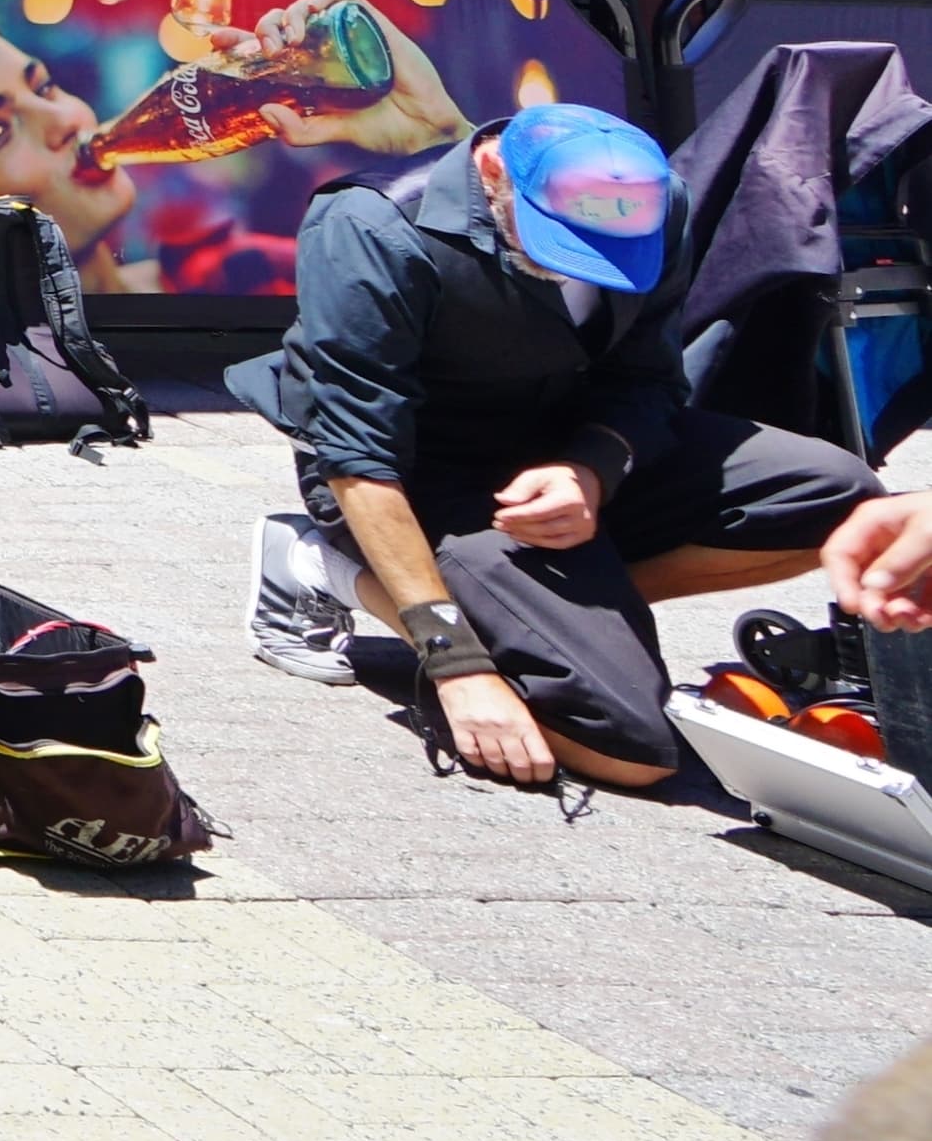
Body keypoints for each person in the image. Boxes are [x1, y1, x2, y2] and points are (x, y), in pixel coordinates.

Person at [244, 99, 881, 793]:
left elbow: (648, 379)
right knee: (631, 750)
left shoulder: (657, 201)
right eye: (559, 238)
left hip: (561, 452)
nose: (589, 263)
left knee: (848, 508)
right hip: (424, 473)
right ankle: (324, 567)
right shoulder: (373, 225)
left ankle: (549, 613)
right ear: (495, 171)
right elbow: (359, 459)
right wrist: (455, 661)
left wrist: (591, 470)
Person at [0, 0, 451, 299]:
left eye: (43, 87)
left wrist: (435, 135)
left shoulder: (249, 276)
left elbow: (473, 305)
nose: (67, 119)